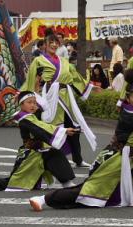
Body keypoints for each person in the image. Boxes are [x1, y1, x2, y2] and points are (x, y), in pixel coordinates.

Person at [29, 72, 133, 211]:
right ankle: (43, 199)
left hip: (130, 157)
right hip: (115, 159)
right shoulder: (129, 114)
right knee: (89, 191)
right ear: (128, 98)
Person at [0, 91, 76, 192]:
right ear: (21, 104)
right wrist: (63, 130)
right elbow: (40, 127)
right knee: (11, 184)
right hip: (29, 156)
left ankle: (66, 182)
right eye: (29, 102)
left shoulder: (31, 116)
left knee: (54, 153)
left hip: (40, 152)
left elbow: (40, 121)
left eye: (34, 102)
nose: (33, 105)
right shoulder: (23, 118)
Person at [22, 32, 97, 168]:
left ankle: (78, 159)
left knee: (73, 128)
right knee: (53, 129)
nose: (53, 45)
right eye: (50, 42)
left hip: (66, 98)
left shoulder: (64, 61)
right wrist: (29, 98)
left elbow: (75, 77)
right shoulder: (38, 61)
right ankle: (51, 159)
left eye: (56, 42)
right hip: (50, 98)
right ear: (45, 44)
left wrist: (89, 87)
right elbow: (32, 80)